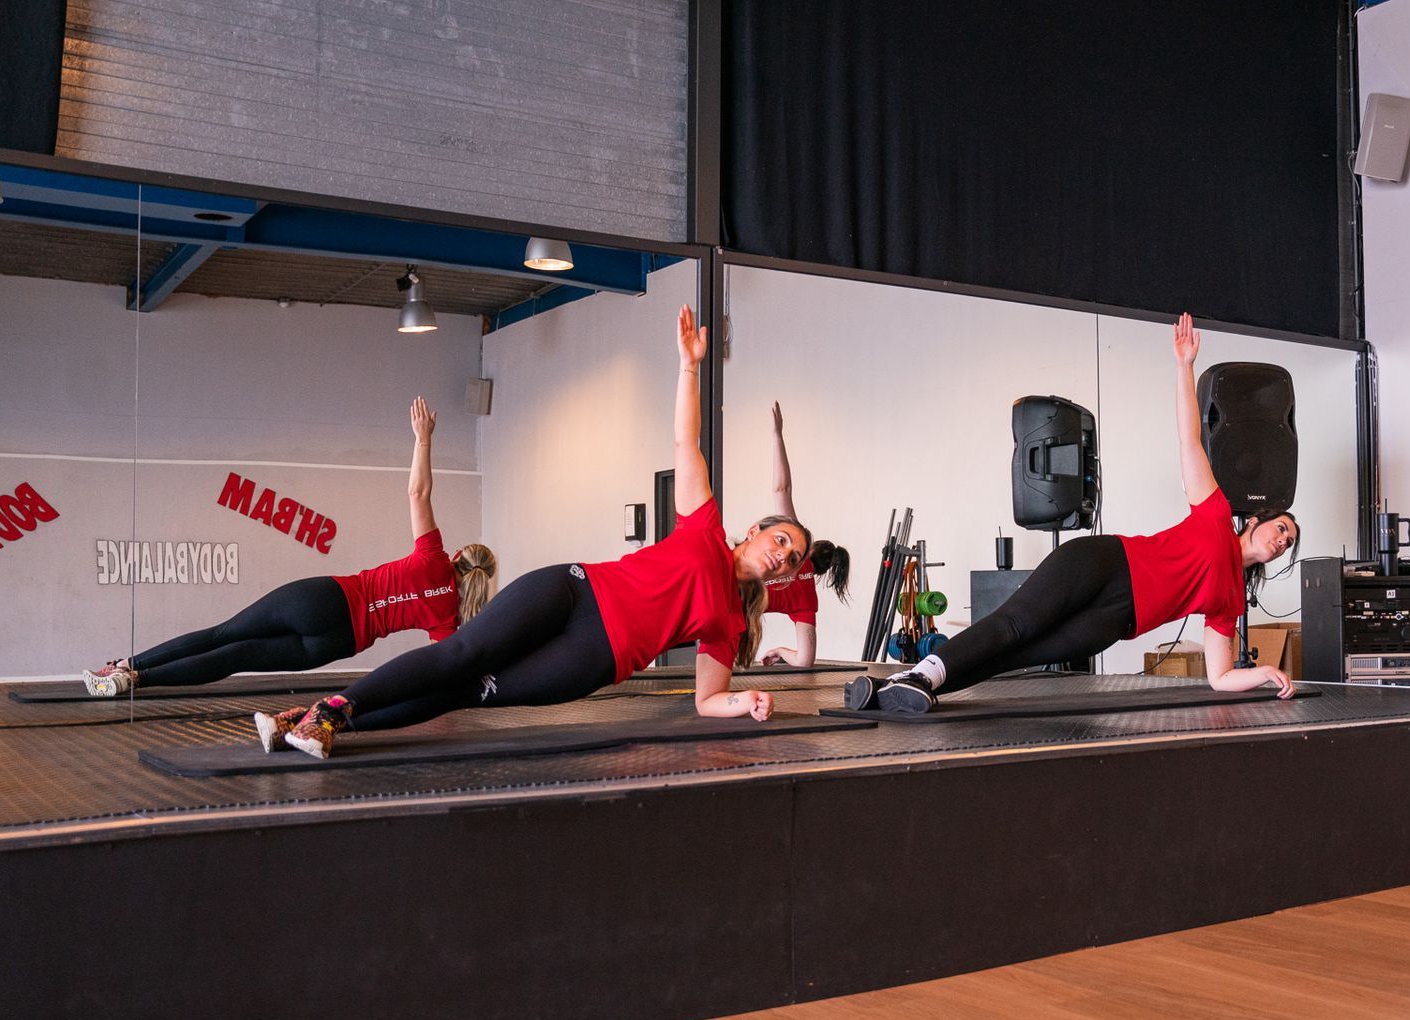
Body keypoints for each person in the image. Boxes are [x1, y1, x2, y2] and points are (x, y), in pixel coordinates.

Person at [265, 305, 811, 758]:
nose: (782, 557)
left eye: (792, 560)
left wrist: (748, 702)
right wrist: (689, 367)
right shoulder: (704, 526)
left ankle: (312, 722)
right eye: (781, 540)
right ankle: (330, 712)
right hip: (574, 590)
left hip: (596, 655)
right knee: (463, 655)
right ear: (754, 530)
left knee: (469, 692)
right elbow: (684, 443)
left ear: (785, 580)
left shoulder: (732, 622)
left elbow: (707, 700)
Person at [845, 313, 1300, 714]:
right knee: (1014, 625)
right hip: (1105, 564)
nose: (1283, 539)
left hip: (1116, 620)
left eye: (1289, 542)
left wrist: (1263, 673)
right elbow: (1189, 441)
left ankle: (904, 686)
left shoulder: (1231, 598)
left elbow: (1219, 677)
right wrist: (1184, 366)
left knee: (1018, 655)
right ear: (1257, 521)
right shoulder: (1216, 513)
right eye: (1282, 526)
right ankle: (919, 676)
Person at [80, 397, 496, 697]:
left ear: (460, 556)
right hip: (339, 643)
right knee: (234, 658)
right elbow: (441, 665)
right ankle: (133, 681)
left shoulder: (434, 557)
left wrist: (423, 440)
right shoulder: (449, 619)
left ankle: (124, 666)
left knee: (222, 634)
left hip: (325, 599)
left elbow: (418, 493)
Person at [757, 401, 852, 667]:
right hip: (729, 607)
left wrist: (777, 436)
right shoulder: (807, 599)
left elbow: (781, 489)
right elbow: (805, 661)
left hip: (722, 588)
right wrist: (780, 651)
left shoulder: (796, 551)